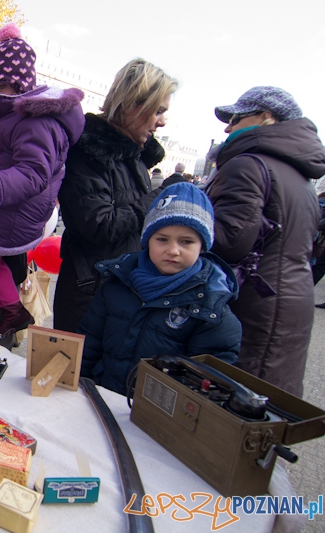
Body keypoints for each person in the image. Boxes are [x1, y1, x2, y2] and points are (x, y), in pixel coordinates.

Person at [0, 24, 85, 338]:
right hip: (15, 219)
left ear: (22, 87)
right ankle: (13, 311)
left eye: (1, 88)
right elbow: (2, 159)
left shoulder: (34, 123)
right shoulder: (17, 121)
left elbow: (32, 172)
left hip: (14, 220)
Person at [205, 86, 325, 396]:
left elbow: (230, 242)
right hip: (289, 298)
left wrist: (189, 219)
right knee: (270, 398)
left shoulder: (248, 164)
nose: (228, 127)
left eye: (235, 118)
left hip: (255, 303)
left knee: (242, 400)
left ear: (266, 117)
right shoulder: (299, 174)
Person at [53, 58, 183, 334]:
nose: (162, 122)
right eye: (157, 111)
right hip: (90, 295)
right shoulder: (88, 151)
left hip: (118, 290)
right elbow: (101, 226)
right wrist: (161, 197)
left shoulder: (132, 155)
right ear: (132, 103)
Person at [79, 183, 241, 395]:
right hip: (100, 397)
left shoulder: (210, 309)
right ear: (147, 240)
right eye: (162, 239)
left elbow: (207, 384)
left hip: (159, 416)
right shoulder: (116, 284)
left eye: (186, 241)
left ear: (202, 246)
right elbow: (88, 345)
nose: (173, 250)